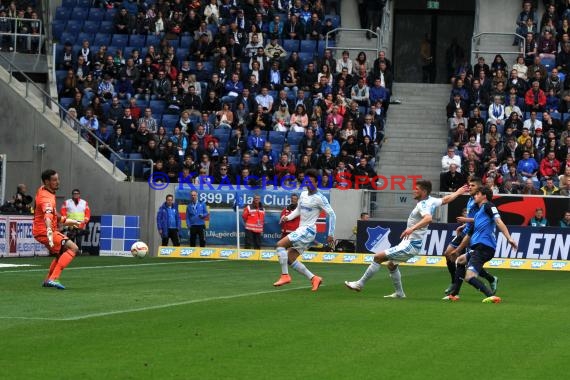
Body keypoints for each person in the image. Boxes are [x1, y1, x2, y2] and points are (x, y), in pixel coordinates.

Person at [345, 180, 468, 297]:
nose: (413, 191)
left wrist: (411, 229)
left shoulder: (423, 204)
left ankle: (359, 284)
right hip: (410, 243)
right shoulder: (431, 200)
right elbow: (445, 199)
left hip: (411, 244)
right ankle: (399, 293)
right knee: (391, 265)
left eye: (416, 189)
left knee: (378, 257)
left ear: (424, 192)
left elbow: (428, 219)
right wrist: (458, 192)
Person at [447, 187, 518, 303]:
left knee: (469, 277)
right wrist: (458, 250)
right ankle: (454, 294)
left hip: (484, 247)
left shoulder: (489, 206)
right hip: (478, 248)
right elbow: (469, 235)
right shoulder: (479, 214)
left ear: (484, 196)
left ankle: (491, 296)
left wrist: (509, 238)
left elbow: (498, 221)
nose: (475, 196)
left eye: (477, 194)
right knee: (460, 260)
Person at [273, 169, 336, 291]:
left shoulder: (320, 198)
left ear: (317, 183)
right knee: (290, 259)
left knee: (280, 245)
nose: (308, 184)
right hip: (303, 230)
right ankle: (314, 278)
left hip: (308, 230)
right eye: (307, 182)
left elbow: (332, 214)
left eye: (311, 182)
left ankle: (285, 276)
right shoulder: (303, 194)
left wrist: (331, 233)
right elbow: (298, 210)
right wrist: (288, 217)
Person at [441, 177, 498, 299]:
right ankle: (454, 284)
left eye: (472, 186)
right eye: (469, 185)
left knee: (468, 262)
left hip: (474, 234)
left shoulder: (481, 203)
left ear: (479, 189)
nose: (469, 187)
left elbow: (481, 219)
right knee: (449, 253)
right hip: (467, 231)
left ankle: (456, 291)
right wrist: (464, 224)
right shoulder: (471, 200)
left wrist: (466, 220)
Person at [32, 170, 81, 290]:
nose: (58, 182)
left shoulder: (43, 190)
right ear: (47, 181)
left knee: (60, 254)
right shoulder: (46, 198)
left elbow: (53, 214)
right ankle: (53, 279)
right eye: (54, 180)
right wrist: (49, 229)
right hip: (45, 231)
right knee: (73, 248)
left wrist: (68, 221)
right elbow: (48, 215)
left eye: (57, 179)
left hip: (42, 230)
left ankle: (48, 280)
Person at [60, 189, 91, 253]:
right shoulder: (67, 202)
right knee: (71, 237)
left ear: (79, 194)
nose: (76, 195)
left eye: (77, 193)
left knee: (79, 239)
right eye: (74, 193)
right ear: (72, 194)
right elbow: (63, 212)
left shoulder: (84, 202)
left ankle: (79, 251)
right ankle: (71, 251)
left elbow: (87, 213)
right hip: (70, 224)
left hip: (80, 224)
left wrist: (85, 221)